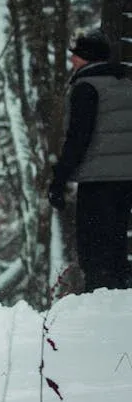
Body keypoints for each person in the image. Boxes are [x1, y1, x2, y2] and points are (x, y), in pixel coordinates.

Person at [48, 27, 132, 291]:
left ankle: (98, 301)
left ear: (87, 57)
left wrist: (59, 180)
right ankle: (119, 299)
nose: (71, 60)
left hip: (98, 181)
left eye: (76, 55)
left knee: (94, 249)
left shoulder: (87, 87)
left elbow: (78, 138)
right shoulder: (126, 84)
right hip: (126, 180)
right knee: (117, 245)